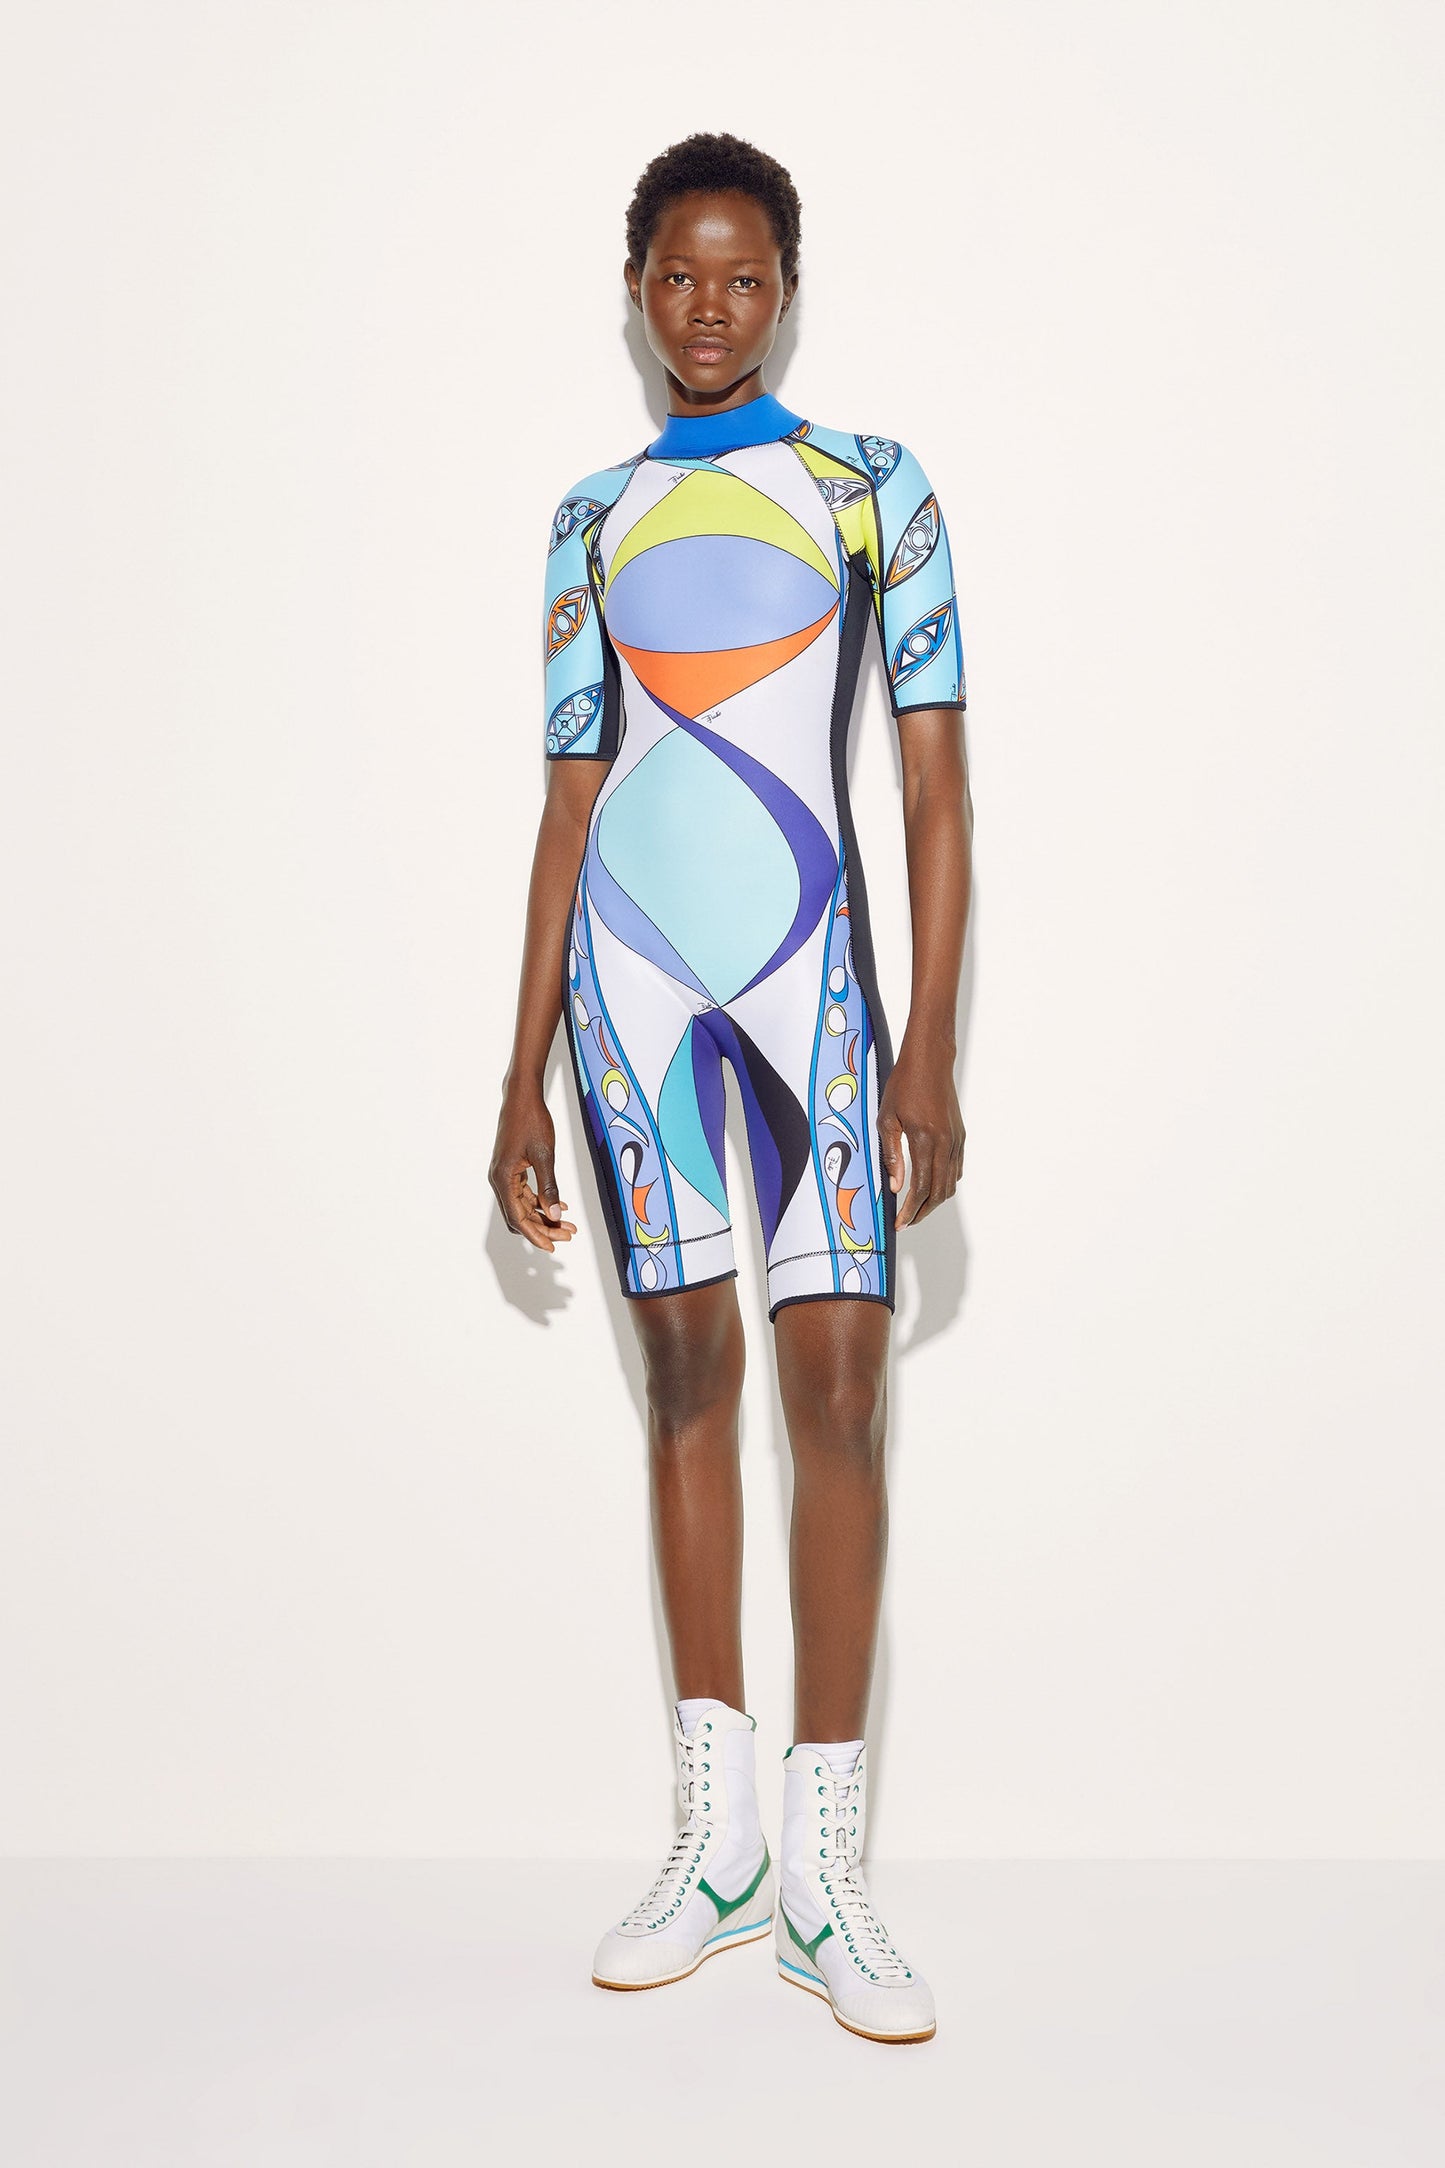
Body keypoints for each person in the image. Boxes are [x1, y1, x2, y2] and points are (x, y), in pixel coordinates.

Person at [490, 132, 972, 2045]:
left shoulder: (872, 491)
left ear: (785, 289)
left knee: (837, 1394)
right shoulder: (586, 519)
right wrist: (515, 1071)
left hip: (813, 999)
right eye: (677, 276)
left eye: (742, 276)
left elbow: (931, 785)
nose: (708, 306)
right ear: (636, 291)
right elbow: (567, 807)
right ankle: (716, 1850)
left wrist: (929, 1043)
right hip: (625, 997)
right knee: (686, 1389)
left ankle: (827, 1877)